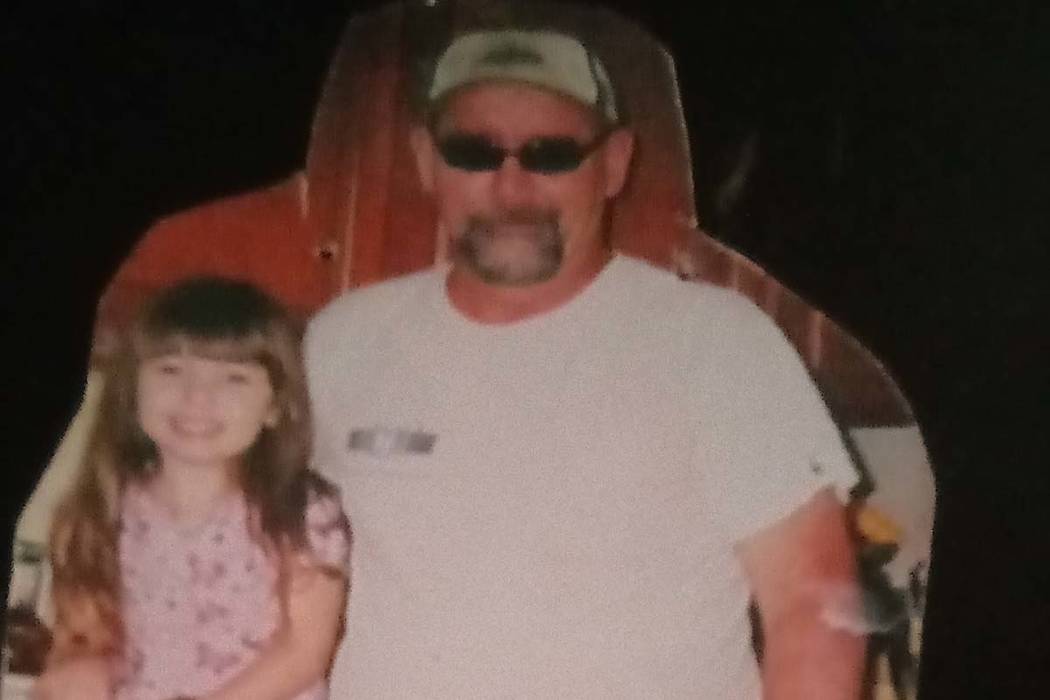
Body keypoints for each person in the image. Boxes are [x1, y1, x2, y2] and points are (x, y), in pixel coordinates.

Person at [305, 27, 865, 698]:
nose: (512, 189)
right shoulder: (342, 340)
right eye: (473, 152)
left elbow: (816, 603)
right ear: (427, 161)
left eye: (552, 154)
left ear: (614, 164)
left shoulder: (718, 344)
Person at [34, 277, 351, 700]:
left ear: (277, 406)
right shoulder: (101, 508)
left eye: (233, 379)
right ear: (132, 391)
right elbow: (83, 636)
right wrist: (82, 665)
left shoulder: (302, 514)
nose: (196, 398)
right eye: (171, 370)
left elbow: (304, 653)